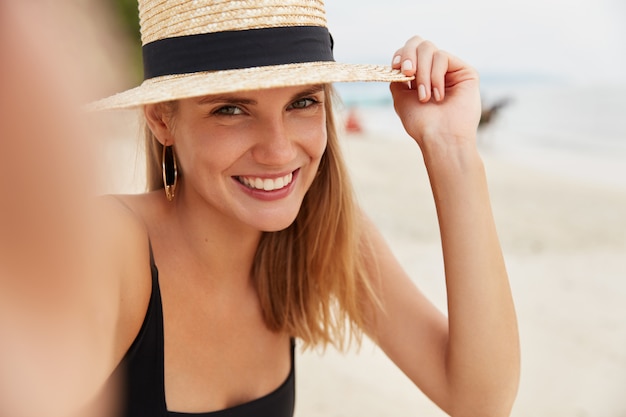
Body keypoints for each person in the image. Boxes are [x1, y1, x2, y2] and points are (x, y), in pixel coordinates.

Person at [3, 0, 520, 416]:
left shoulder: (324, 229)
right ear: (162, 119)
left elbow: (478, 400)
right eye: (231, 109)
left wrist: (451, 149)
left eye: (302, 102)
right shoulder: (110, 250)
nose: (277, 150)